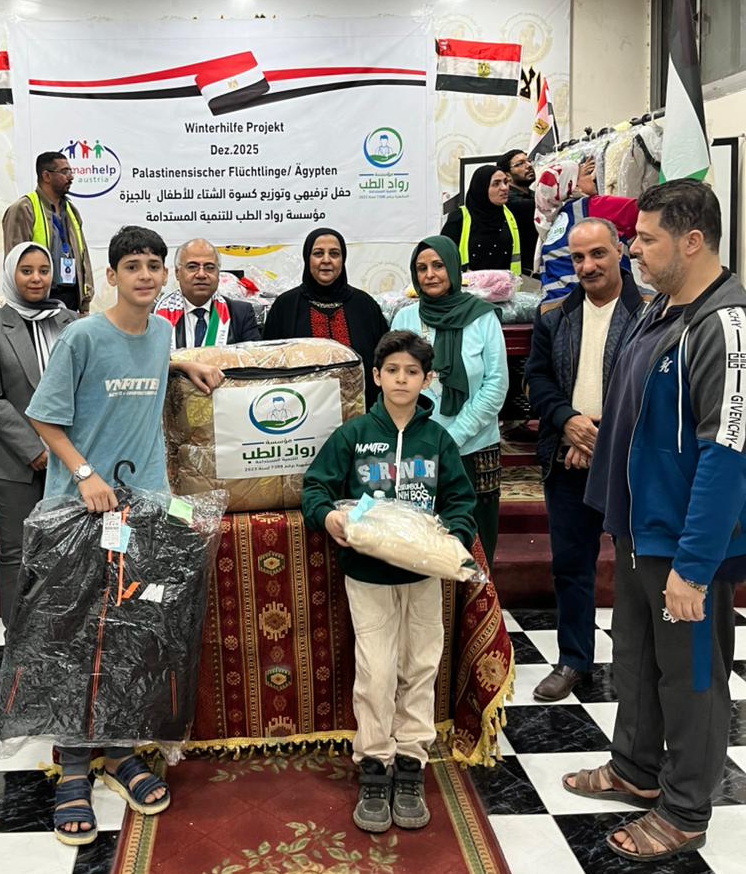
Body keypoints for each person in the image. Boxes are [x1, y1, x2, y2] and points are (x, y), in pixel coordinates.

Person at [564, 180, 746, 862]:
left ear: (692, 241)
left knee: (692, 676)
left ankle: (685, 808)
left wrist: (694, 569)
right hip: (639, 529)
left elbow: (727, 453)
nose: (633, 250)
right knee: (636, 659)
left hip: (683, 542)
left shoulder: (724, 325)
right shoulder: (662, 306)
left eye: (646, 238)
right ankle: (635, 769)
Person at [26, 225, 223, 845]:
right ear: (112, 276)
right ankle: (73, 768)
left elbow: (149, 357)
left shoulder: (162, 331)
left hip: (144, 507)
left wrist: (186, 362)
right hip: (81, 510)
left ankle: (119, 751)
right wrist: (85, 474)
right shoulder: (82, 336)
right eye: (132, 265)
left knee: (131, 632)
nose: (145, 275)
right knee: (76, 639)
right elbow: (43, 418)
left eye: (153, 266)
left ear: (165, 276)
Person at [302, 330, 476, 834]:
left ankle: (411, 761)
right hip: (368, 576)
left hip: (423, 576)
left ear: (427, 380)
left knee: (420, 665)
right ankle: (375, 763)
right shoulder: (354, 435)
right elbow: (315, 488)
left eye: (412, 372)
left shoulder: (437, 440)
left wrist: (453, 539)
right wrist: (329, 518)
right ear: (376, 377)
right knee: (377, 670)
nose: (402, 380)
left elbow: (460, 501)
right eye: (393, 371)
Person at [525, 218, 645, 701]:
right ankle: (574, 660)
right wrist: (569, 421)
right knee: (571, 565)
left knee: (639, 566)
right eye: (578, 258)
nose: (588, 266)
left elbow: (650, 388)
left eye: (597, 253)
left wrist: (594, 434)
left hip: (630, 463)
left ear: (620, 251)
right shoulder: (554, 314)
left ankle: (639, 662)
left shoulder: (651, 312)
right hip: (567, 459)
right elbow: (537, 379)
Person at [0, 242, 75, 627]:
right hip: (11, 457)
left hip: (69, 455)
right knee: (18, 550)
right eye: (26, 270)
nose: (36, 278)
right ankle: (19, 637)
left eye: (43, 270)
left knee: (67, 547)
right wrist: (34, 449)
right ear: (11, 274)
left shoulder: (70, 321)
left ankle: (58, 632)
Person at [391, 236, 507, 565]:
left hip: (475, 446)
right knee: (423, 537)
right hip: (419, 447)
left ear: (453, 268)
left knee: (476, 539)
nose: (430, 274)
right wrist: (428, 438)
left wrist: (452, 437)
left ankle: (477, 598)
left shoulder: (482, 317)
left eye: (438, 266)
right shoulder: (405, 320)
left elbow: (496, 384)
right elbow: (395, 382)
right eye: (421, 268)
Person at [263, 227, 388, 407]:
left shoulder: (365, 305)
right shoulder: (286, 306)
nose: (326, 260)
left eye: (334, 254)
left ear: (343, 259)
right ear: (307, 258)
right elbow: (268, 366)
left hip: (361, 412)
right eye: (318, 253)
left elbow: (385, 361)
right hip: (300, 412)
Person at [535, 158, 638, 302]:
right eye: (586, 174)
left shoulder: (554, 221)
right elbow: (648, 210)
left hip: (556, 305)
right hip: (597, 302)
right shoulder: (594, 206)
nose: (592, 178)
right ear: (574, 185)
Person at [2, 152, 94, 314]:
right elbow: (13, 262)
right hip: (37, 304)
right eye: (65, 172)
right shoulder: (24, 209)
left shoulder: (71, 210)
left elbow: (83, 257)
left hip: (71, 302)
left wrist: (84, 304)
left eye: (71, 172)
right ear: (46, 176)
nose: (71, 177)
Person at [155, 237, 260, 349]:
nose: (201, 274)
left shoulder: (240, 313)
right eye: (192, 267)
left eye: (209, 268)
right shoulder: (155, 315)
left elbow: (254, 357)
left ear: (218, 273)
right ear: (177, 273)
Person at [441, 165, 520, 275]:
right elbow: (442, 258)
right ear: (481, 188)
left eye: (505, 182)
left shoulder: (509, 215)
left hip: (506, 285)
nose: (504, 188)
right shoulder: (459, 218)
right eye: (496, 184)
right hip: (468, 285)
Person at [497, 148, 537, 274]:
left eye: (528, 161)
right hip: (522, 272)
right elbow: (532, 206)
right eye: (520, 164)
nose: (529, 165)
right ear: (507, 176)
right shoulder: (508, 201)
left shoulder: (534, 195)